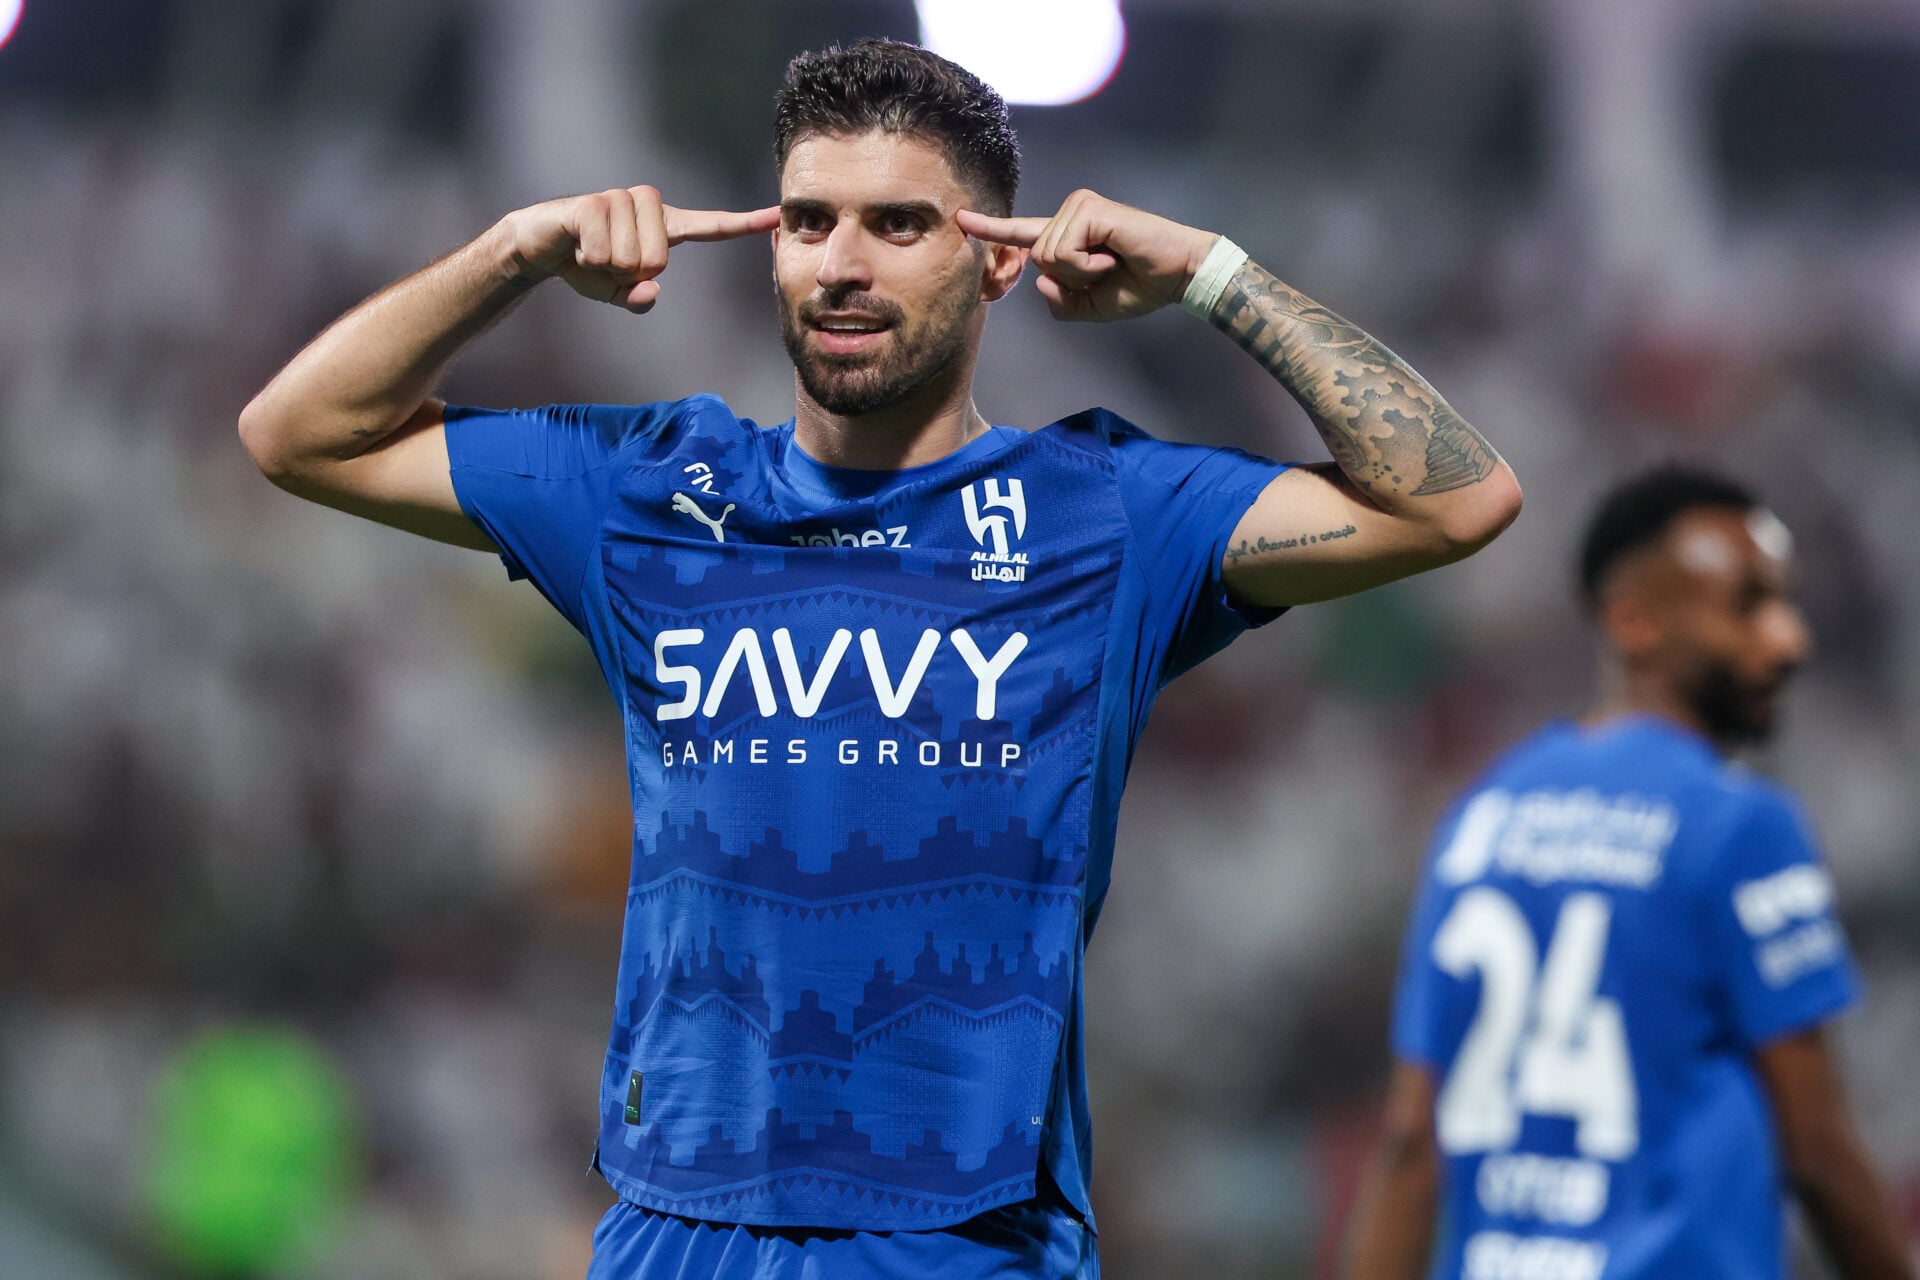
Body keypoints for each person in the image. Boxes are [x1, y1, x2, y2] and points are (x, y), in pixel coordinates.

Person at [239, 38, 1520, 1280]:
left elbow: (1454, 502)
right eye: (809, 221)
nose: (841, 265)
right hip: (678, 1229)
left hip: (964, 1238)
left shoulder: (1106, 510)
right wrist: (511, 254)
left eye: (899, 224)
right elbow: (298, 433)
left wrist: (1214, 275)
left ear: (1000, 258)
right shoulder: (649, 488)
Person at [1344, 469, 1913, 1280]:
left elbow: (1409, 1145)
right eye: (1748, 605)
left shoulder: (1481, 817)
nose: (1790, 640)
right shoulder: (1738, 823)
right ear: (1633, 621)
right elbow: (1817, 1149)